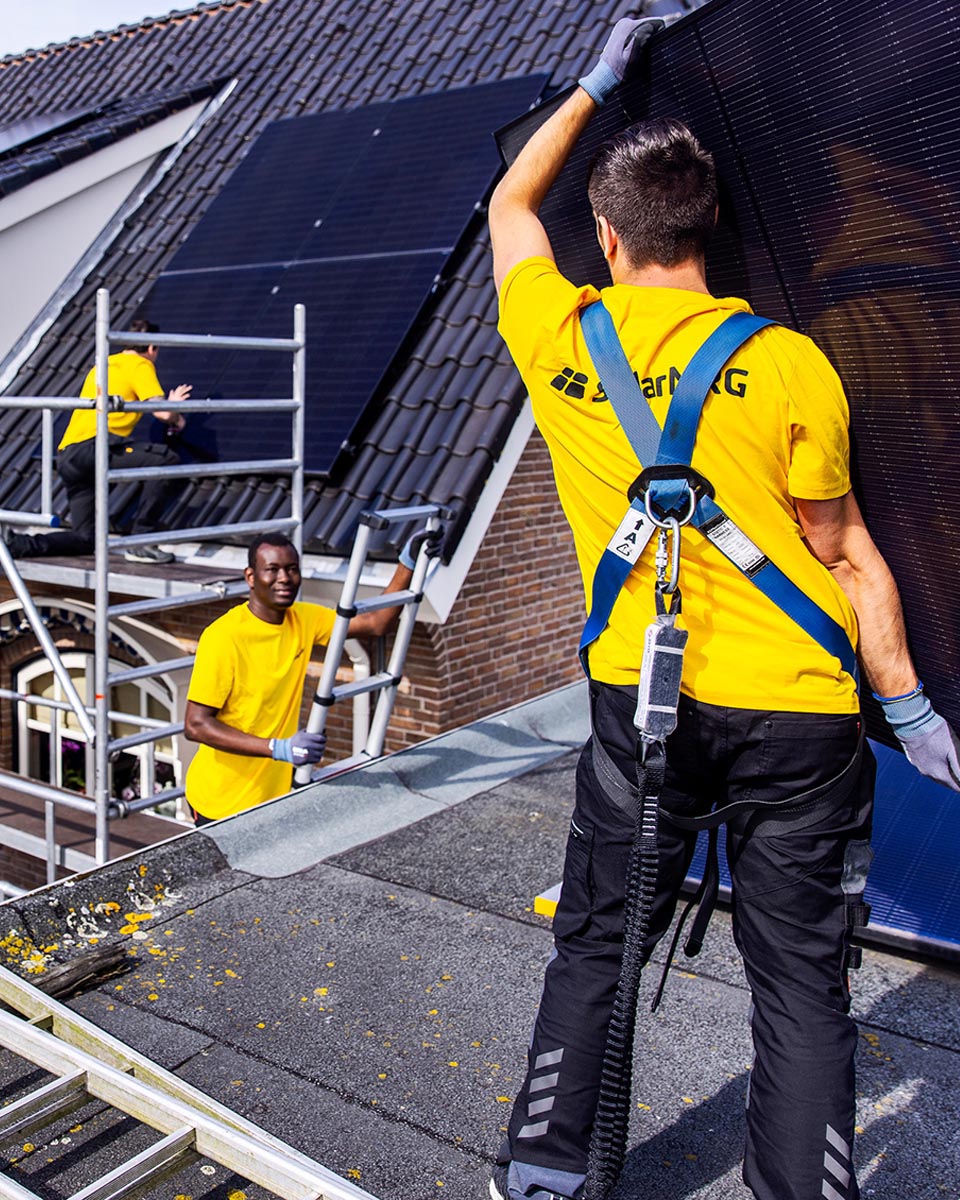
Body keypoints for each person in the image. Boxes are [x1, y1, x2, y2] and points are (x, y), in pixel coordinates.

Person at [487, 17, 959, 1200]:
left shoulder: (559, 335)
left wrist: (595, 82)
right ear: (709, 233)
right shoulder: (795, 362)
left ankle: (547, 1174)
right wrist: (909, 707)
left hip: (643, 707)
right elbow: (847, 555)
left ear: (606, 238)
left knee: (599, 944)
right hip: (800, 717)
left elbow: (510, 204)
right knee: (802, 983)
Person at [183, 529, 438, 824]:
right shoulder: (223, 637)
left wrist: (407, 563)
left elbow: (375, 623)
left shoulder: (302, 619)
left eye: (292, 569)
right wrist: (278, 748)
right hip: (221, 802)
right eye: (272, 569)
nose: (284, 578)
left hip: (273, 796)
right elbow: (196, 725)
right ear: (251, 577)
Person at [5, 318, 190, 565]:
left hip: (69, 455)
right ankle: (141, 541)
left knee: (85, 538)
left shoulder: (103, 365)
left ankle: (17, 544)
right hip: (96, 447)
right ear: (151, 347)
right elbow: (163, 413)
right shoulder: (140, 364)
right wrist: (176, 413)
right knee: (166, 460)